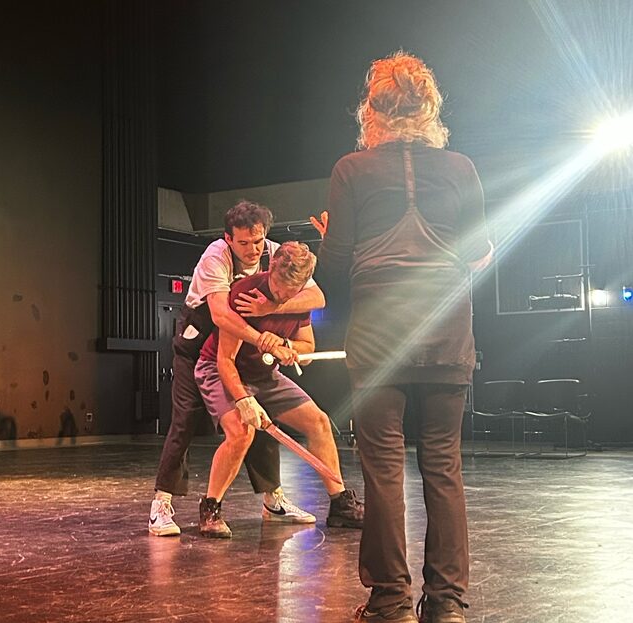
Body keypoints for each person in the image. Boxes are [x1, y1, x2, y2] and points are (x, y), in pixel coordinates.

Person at [316, 52, 493, 623]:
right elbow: (477, 252)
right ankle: (446, 605)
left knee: (383, 468)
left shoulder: (352, 169)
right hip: (445, 329)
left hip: (378, 335)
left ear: (372, 110)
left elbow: (334, 266)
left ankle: (390, 602)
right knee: (443, 464)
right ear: (429, 107)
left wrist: (329, 240)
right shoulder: (461, 168)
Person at [149, 201, 327, 536]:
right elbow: (221, 316)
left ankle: (273, 499)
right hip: (199, 348)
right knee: (185, 419)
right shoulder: (215, 257)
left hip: (242, 351)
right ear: (228, 239)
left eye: (257, 241)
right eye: (243, 243)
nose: (252, 249)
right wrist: (264, 339)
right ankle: (161, 502)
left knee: (259, 417)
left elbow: (316, 298)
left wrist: (273, 304)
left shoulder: (277, 254)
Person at [195, 241, 364, 538]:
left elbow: (307, 348)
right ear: (271, 267)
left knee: (319, 422)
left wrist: (285, 345)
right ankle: (211, 509)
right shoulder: (245, 294)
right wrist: (244, 400)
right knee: (241, 431)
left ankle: (341, 505)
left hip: (263, 373)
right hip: (220, 369)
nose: (284, 295)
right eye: (280, 286)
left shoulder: (298, 300)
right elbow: (225, 360)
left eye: (293, 290)